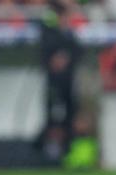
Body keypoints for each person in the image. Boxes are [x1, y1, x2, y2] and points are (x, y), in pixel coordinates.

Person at [37, 0, 82, 163]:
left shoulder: (69, 33)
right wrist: (54, 59)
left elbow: (78, 50)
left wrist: (67, 57)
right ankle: (49, 150)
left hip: (67, 80)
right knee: (52, 114)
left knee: (69, 113)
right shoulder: (48, 27)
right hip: (54, 80)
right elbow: (45, 49)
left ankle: (66, 149)